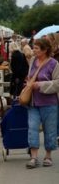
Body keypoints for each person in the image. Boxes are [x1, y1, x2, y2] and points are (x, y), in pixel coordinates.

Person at [25, 38, 59, 169]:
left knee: (50, 130)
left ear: (45, 50)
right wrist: (29, 83)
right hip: (33, 102)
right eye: (34, 47)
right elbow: (30, 77)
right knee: (32, 128)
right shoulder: (33, 61)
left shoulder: (54, 64)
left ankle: (48, 156)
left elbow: (57, 83)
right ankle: (33, 157)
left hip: (50, 102)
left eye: (36, 48)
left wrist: (39, 85)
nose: (34, 50)